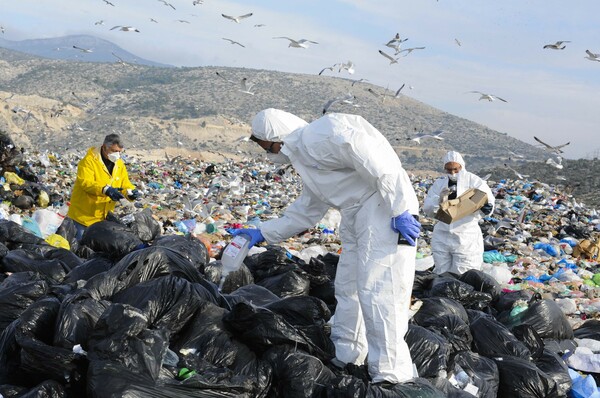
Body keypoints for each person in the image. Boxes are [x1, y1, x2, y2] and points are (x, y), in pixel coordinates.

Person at [229, 109, 421, 384]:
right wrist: (263, 232)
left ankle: (392, 375)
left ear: (275, 138)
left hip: (383, 209)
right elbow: (306, 210)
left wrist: (400, 207)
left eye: (265, 146)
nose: (268, 154)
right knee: (350, 287)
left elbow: (376, 159)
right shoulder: (306, 159)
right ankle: (347, 354)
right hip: (356, 215)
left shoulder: (320, 134)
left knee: (381, 291)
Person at [423, 151, 495, 275]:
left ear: (461, 166)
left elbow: (487, 199)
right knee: (441, 271)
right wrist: (439, 200)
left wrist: (487, 208)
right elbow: (428, 209)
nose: (452, 173)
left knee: (465, 272)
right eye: (449, 170)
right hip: (442, 234)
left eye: (455, 169)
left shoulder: (474, 181)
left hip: (466, 235)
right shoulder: (440, 184)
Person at [68, 133, 140, 240]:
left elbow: (124, 183)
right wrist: (105, 190)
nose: (117, 154)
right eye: (114, 151)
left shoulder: (119, 164)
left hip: (102, 217)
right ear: (105, 147)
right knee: (80, 248)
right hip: (83, 216)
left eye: (119, 152)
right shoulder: (88, 162)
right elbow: (86, 183)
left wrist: (131, 192)